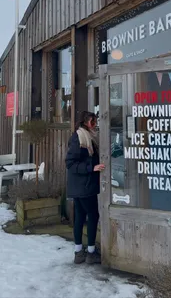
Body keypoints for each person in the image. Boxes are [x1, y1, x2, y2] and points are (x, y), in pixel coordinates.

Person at [65, 111, 105, 265]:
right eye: (92, 122)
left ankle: (78, 252)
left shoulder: (87, 136)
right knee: (93, 215)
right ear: (85, 122)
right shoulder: (79, 138)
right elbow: (70, 163)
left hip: (82, 185)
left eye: (95, 121)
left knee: (80, 216)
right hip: (83, 185)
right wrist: (91, 167)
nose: (95, 125)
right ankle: (90, 252)